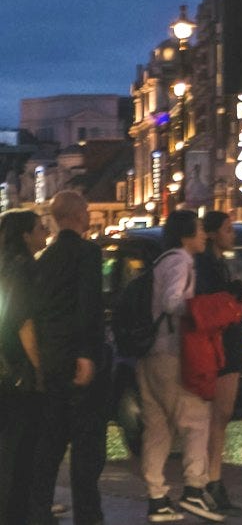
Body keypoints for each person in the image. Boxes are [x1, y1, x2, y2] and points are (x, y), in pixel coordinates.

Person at [136, 209, 224, 523]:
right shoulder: (181, 261)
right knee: (197, 419)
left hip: (148, 355)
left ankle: (157, 497)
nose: (204, 235)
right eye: (200, 229)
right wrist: (203, 308)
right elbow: (173, 302)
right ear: (187, 234)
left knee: (158, 427)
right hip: (172, 354)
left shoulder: (161, 261)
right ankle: (194, 491)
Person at [28, 191, 108, 525]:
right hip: (79, 357)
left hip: (53, 358)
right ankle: (88, 514)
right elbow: (88, 304)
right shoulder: (87, 253)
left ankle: (39, 507)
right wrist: (87, 353)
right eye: (87, 210)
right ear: (78, 215)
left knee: (53, 440)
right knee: (87, 446)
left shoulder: (45, 259)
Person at [194, 211, 242, 516]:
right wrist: (239, 305)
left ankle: (210, 479)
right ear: (214, 233)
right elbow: (218, 310)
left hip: (223, 344)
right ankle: (211, 481)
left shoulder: (215, 265)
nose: (234, 235)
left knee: (218, 416)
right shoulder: (209, 268)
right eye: (229, 230)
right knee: (220, 415)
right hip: (222, 346)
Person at [0, 210, 46, 524]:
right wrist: (40, 369)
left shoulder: (3, 265)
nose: (44, 233)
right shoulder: (25, 269)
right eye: (40, 229)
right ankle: (17, 511)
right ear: (26, 235)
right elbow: (24, 322)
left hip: (4, 365)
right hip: (20, 369)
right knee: (23, 446)